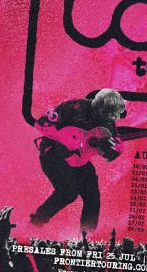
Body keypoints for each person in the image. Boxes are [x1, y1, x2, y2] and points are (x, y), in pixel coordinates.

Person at [29, 88, 126, 232]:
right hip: (53, 155)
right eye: (111, 115)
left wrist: (117, 149)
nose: (114, 119)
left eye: (116, 115)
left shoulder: (108, 123)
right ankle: (34, 224)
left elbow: (107, 154)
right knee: (68, 192)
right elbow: (41, 124)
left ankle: (87, 235)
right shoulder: (74, 107)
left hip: (79, 160)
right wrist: (65, 139)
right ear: (100, 109)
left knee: (92, 196)